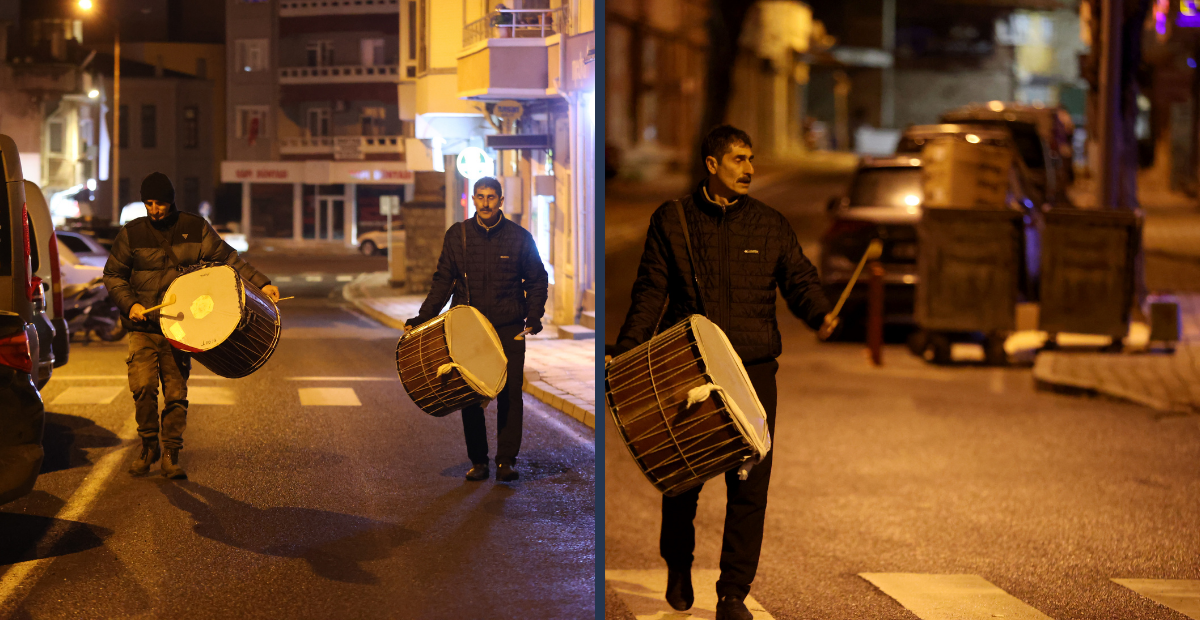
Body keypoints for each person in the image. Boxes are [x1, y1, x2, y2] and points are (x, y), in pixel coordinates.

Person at [613, 125, 839, 620]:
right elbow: (651, 291)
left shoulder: (770, 223)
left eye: (752, 159)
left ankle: (732, 593)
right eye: (738, 159)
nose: (749, 169)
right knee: (682, 478)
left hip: (754, 371)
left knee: (749, 484)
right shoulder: (672, 221)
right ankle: (678, 562)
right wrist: (628, 350)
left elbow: (798, 277)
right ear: (712, 165)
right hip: (690, 365)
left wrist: (819, 311)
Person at [103, 172, 280, 479]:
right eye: (149, 203)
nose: (154, 209)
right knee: (143, 388)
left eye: (160, 202)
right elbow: (113, 275)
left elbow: (229, 259)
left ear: (171, 201)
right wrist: (130, 304)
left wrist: (262, 284)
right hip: (143, 328)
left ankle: (171, 453)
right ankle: (147, 446)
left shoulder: (194, 227)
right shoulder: (131, 233)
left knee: (175, 392)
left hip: (181, 326)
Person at [404, 177, 548, 482]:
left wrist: (534, 316)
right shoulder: (458, 235)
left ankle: (506, 460)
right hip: (469, 329)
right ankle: (479, 461)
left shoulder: (520, 238)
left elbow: (537, 279)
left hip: (508, 326)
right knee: (468, 393)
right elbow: (443, 280)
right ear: (473, 199)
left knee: (510, 393)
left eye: (491, 197)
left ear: (500, 200)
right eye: (480, 197)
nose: (485, 203)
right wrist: (423, 318)